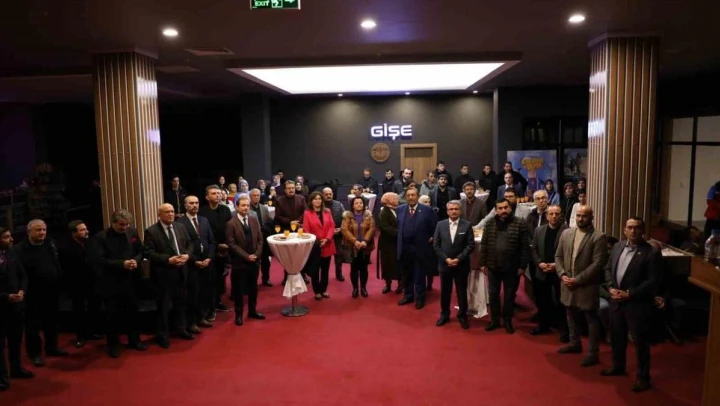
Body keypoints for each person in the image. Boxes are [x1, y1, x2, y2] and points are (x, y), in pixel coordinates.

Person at [601, 217, 662, 393]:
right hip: (616, 300)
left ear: (643, 231)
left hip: (637, 304)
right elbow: (607, 269)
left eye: (637, 228)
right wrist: (610, 287)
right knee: (617, 336)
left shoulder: (651, 252)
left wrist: (630, 294)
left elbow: (652, 281)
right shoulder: (617, 247)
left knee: (640, 342)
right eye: (630, 227)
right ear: (624, 230)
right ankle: (618, 366)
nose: (633, 231)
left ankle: (643, 377)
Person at [87, 209, 148, 358]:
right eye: (121, 225)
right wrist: (122, 264)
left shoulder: (132, 232)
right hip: (110, 282)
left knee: (132, 312)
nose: (125, 227)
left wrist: (136, 260)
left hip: (130, 280)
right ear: (113, 223)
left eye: (127, 224)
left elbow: (141, 251)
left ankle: (135, 340)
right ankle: (113, 345)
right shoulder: (100, 237)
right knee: (112, 316)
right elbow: (99, 260)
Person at [555, 206, 608, 367]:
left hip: (586, 285)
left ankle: (593, 352)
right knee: (570, 314)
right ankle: (574, 343)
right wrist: (562, 275)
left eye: (584, 216)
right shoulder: (566, 233)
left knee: (591, 318)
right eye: (578, 215)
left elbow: (598, 263)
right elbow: (558, 256)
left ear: (591, 217)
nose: (580, 219)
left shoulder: (599, 236)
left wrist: (577, 280)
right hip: (567, 282)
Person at [144, 204, 195, 348]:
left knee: (181, 304)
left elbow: (190, 244)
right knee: (163, 307)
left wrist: (187, 255)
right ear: (159, 214)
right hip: (163, 275)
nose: (171, 214)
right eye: (167, 212)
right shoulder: (151, 231)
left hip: (181, 272)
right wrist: (168, 259)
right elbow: (148, 253)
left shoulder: (180, 227)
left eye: (172, 211)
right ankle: (163, 335)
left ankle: (181, 329)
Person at [478, 198, 530, 334]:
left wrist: (522, 266)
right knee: (493, 294)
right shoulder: (489, 223)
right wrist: (482, 263)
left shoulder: (520, 223)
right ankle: (495, 320)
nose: (503, 210)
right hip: (493, 265)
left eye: (505, 207)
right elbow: (484, 244)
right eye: (500, 208)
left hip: (512, 267)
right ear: (496, 210)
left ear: (510, 208)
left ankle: (507, 321)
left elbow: (525, 247)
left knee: (509, 295)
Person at [0, 226, 34, 391]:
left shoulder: (12, 253)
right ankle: (2, 377)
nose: (12, 239)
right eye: (7, 237)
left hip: (16, 306)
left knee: (15, 339)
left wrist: (22, 291)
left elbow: (23, 276)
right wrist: (6, 297)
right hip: (1, 306)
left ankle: (16, 368)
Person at [433, 200, 475, 329]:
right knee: (445, 292)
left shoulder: (467, 225)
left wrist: (458, 259)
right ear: (447, 211)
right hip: (445, 265)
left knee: (461, 292)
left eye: (456, 209)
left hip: (461, 265)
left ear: (460, 211)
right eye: (451, 209)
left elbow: (470, 245)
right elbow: (436, 245)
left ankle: (462, 316)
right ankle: (444, 314)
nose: (454, 211)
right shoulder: (440, 225)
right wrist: (446, 259)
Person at [530, 205, 569, 340]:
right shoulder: (539, 230)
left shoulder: (568, 231)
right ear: (546, 216)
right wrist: (539, 263)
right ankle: (543, 325)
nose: (554, 216)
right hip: (542, 270)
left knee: (561, 302)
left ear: (561, 215)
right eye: (551, 214)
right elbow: (533, 248)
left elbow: (569, 253)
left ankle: (565, 329)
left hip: (560, 272)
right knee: (543, 300)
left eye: (557, 214)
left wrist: (556, 266)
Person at [226, 196, 266, 326]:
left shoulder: (253, 219)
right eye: (243, 205)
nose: (246, 208)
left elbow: (260, 238)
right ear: (237, 207)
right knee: (239, 290)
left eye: (248, 206)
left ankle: (252, 311)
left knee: (253, 288)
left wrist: (257, 254)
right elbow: (232, 244)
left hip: (254, 261)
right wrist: (246, 256)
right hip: (240, 262)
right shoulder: (231, 224)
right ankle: (239, 314)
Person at [397, 188, 438, 309]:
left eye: (413, 195)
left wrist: (432, 237)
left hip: (420, 247)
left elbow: (435, 227)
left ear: (418, 196)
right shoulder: (400, 209)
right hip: (405, 247)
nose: (411, 197)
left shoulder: (427, 210)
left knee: (419, 274)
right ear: (406, 197)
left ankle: (420, 297)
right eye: (408, 195)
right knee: (407, 273)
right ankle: (408, 295)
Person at [303, 192, 336, 300]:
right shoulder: (307, 213)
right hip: (315, 246)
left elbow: (332, 226)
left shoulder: (327, 211)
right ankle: (317, 291)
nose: (318, 201)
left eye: (319, 199)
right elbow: (306, 230)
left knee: (325, 270)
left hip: (327, 244)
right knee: (315, 269)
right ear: (311, 201)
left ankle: (324, 290)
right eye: (315, 199)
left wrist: (327, 239)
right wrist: (317, 242)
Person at [341, 197, 375, 298]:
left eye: (361, 203)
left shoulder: (369, 216)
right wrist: (354, 241)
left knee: (364, 268)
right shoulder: (347, 216)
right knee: (354, 268)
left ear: (364, 205)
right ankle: (355, 288)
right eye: (356, 203)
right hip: (352, 246)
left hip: (366, 246)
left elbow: (372, 228)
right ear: (353, 205)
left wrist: (365, 240)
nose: (359, 204)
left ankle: (363, 288)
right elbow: (344, 229)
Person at [378, 192, 401, 294]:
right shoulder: (384, 212)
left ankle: (400, 284)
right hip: (387, 242)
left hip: (396, 241)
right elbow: (385, 227)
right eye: (395, 198)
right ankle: (388, 284)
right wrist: (399, 233)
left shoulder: (397, 210)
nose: (397, 200)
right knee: (387, 263)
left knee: (398, 263)